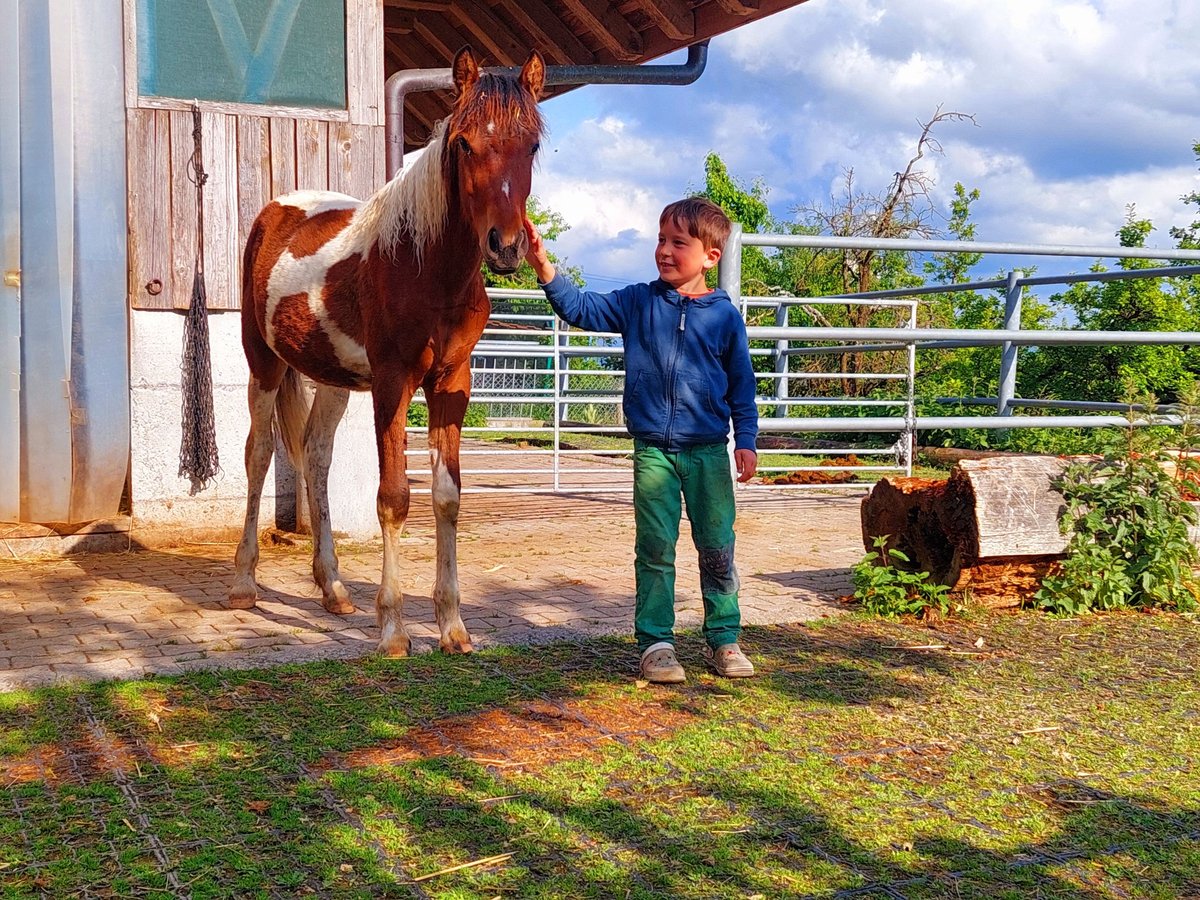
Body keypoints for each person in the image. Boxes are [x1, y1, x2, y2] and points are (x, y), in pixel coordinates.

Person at [522, 197, 759, 683]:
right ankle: (656, 643)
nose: (664, 251)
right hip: (653, 450)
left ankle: (725, 639)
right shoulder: (637, 302)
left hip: (709, 451)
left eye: (678, 243)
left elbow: (742, 384)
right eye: (660, 239)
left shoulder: (724, 317)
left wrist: (747, 440)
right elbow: (582, 308)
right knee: (655, 546)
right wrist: (545, 267)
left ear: (711, 256)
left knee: (717, 546)